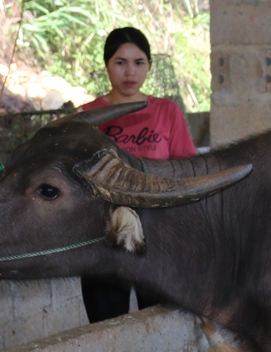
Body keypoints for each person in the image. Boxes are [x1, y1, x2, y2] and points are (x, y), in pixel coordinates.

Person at [79, 27, 197, 322]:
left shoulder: (167, 112)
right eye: (120, 62)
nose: (130, 72)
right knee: (106, 327)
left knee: (161, 322)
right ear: (107, 65)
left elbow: (186, 171)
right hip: (104, 240)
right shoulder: (87, 117)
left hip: (159, 239)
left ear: (149, 66)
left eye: (139, 62)